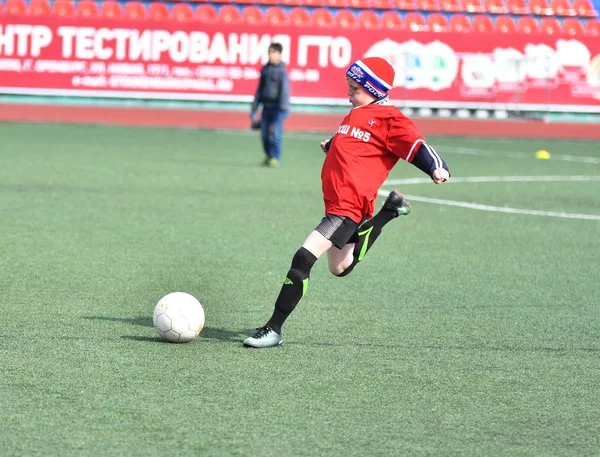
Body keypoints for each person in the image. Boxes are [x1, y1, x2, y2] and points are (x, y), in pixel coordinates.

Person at [244, 57, 450, 348]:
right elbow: (356, 143)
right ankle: (388, 212)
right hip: (337, 204)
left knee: (303, 257)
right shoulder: (358, 112)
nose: (348, 93)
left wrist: (436, 167)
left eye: (355, 89)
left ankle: (273, 328)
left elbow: (417, 145)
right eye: (348, 87)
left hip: (348, 207)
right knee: (340, 267)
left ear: (374, 89)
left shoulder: (391, 119)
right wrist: (332, 144)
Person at [251, 42, 290, 168]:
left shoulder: (282, 71)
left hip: (278, 108)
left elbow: (284, 90)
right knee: (264, 134)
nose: (271, 55)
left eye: (274, 52)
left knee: (276, 133)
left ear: (280, 54)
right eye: (270, 52)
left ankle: (275, 157)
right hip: (266, 107)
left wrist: (283, 108)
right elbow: (260, 88)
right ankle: (268, 155)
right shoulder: (265, 68)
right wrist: (255, 106)